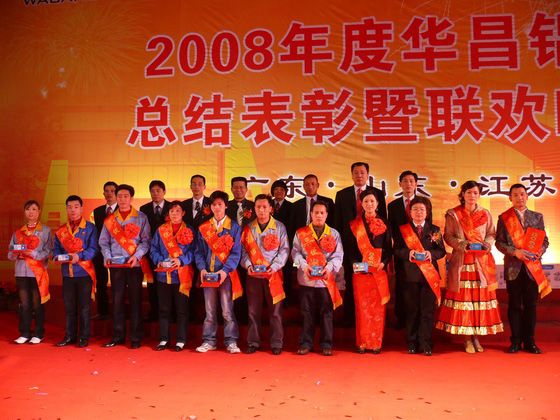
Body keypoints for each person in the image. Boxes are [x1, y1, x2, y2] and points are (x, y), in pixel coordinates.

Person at [436, 180, 503, 353]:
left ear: (479, 195)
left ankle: (476, 337)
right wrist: (461, 244)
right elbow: (448, 236)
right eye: (469, 192)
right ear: (463, 194)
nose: (472, 196)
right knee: (465, 301)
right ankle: (466, 338)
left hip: (481, 263)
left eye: (475, 193)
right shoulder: (453, 214)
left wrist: (487, 244)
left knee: (478, 301)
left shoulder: (485, 213)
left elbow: (491, 234)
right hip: (462, 263)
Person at [495, 184, 550, 354]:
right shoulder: (504, 218)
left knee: (530, 306)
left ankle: (530, 342)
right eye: (516, 195)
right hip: (514, 268)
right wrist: (515, 252)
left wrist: (541, 250)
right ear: (510, 198)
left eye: (522, 194)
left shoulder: (537, 217)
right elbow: (499, 242)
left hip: (532, 268)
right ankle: (516, 342)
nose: (519, 198)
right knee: (514, 306)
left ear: (527, 196)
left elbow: (545, 240)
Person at [99, 184, 152, 349]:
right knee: (117, 301)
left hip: (134, 266)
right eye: (119, 196)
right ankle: (118, 336)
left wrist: (137, 256)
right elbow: (103, 242)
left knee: (135, 301)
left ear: (131, 198)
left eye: (125, 196)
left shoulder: (141, 217)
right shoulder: (110, 220)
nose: (122, 199)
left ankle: (136, 337)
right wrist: (107, 257)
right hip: (116, 266)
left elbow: (146, 241)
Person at [334, 162, 387, 327]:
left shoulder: (378, 194)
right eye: (356, 172)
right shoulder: (342, 195)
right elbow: (337, 222)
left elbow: (383, 221)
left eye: (362, 172)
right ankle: (350, 318)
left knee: (372, 285)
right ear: (351, 175)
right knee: (351, 283)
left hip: (372, 249)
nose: (359, 175)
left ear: (368, 174)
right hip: (351, 247)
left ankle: (371, 318)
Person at [393, 196, 446, 356]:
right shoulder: (403, 230)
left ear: (427, 212)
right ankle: (411, 343)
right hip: (409, 276)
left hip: (429, 277)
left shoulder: (434, 230)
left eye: (422, 209)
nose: (419, 212)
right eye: (415, 209)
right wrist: (409, 253)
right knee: (411, 311)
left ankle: (426, 343)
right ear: (410, 212)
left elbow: (441, 251)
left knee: (427, 312)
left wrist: (431, 254)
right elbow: (397, 250)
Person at [292, 200, 343, 356]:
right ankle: (306, 343)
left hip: (325, 280)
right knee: (306, 312)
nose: (319, 215)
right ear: (311, 214)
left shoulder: (334, 234)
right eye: (316, 213)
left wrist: (329, 268)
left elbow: (338, 255)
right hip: (307, 279)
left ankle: (326, 344)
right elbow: (295, 253)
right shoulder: (301, 233)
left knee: (326, 312)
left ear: (326, 215)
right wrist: (304, 266)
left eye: (322, 213)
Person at [241, 194, 290, 355]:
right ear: (254, 209)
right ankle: (253, 342)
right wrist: (248, 265)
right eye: (258, 207)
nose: (261, 210)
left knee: (275, 311)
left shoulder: (280, 227)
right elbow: (243, 251)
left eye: (264, 207)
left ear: (271, 209)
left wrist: (274, 267)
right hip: (253, 276)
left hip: (273, 275)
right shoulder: (248, 228)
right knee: (253, 311)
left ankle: (277, 343)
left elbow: (284, 250)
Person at [195, 190, 243, 354]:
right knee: (209, 311)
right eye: (214, 204)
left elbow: (236, 253)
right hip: (208, 275)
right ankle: (209, 341)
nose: (217, 207)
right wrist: (202, 268)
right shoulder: (204, 227)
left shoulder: (234, 227)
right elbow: (198, 252)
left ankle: (231, 341)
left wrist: (225, 271)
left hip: (225, 276)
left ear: (226, 206)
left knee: (227, 310)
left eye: (220, 204)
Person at [348, 189, 392, 354]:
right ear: (361, 204)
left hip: (378, 272)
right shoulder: (354, 224)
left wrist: (384, 262)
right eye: (366, 201)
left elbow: (388, 248)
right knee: (362, 308)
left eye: (372, 201)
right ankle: (362, 342)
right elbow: (351, 249)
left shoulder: (385, 223)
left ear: (377, 203)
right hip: (361, 273)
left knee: (378, 309)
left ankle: (376, 343)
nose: (369, 204)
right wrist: (355, 264)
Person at [53, 195, 99, 348]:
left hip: (84, 273)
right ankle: (70, 336)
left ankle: (84, 337)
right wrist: (57, 257)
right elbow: (56, 249)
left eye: (76, 207)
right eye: (70, 207)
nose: (73, 210)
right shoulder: (61, 230)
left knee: (84, 307)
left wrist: (79, 256)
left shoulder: (90, 228)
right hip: (67, 274)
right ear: (66, 209)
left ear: (81, 208)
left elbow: (94, 249)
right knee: (69, 307)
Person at [149, 201, 196, 352]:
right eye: (171, 211)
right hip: (163, 275)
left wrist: (181, 260)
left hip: (182, 276)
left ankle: (181, 340)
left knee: (182, 309)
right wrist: (159, 261)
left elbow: (194, 252)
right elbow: (153, 249)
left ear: (183, 213)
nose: (174, 214)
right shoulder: (161, 230)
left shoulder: (189, 230)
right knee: (164, 308)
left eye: (177, 211)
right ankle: (163, 339)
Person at [388, 171, 432, 330]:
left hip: (422, 254)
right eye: (405, 181)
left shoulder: (424, 203)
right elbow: (392, 229)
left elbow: (429, 228)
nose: (408, 184)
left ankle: (419, 319)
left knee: (420, 287)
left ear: (416, 184)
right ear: (400, 184)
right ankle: (401, 318)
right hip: (403, 252)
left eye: (411, 181)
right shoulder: (393, 205)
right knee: (401, 285)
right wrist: (402, 249)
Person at [8, 200, 52, 345]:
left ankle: (38, 333)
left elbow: (48, 251)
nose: (31, 212)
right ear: (24, 212)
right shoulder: (18, 232)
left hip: (37, 273)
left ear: (39, 211)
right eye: (28, 209)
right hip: (21, 272)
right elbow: (10, 253)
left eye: (34, 209)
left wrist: (33, 254)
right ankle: (25, 333)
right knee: (24, 304)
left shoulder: (45, 231)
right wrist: (16, 254)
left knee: (37, 304)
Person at [140, 180, 171, 322]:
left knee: (168, 284)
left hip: (169, 251)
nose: (155, 193)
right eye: (152, 191)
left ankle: (169, 312)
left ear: (164, 192)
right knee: (152, 282)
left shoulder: (172, 207)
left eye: (158, 191)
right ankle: (154, 311)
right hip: (150, 252)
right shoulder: (144, 209)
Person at [226, 176, 254, 324]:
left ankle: (245, 317)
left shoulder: (254, 206)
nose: (238, 190)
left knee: (247, 285)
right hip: (229, 253)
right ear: (231, 189)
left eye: (241, 187)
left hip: (250, 253)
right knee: (231, 285)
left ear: (246, 189)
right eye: (235, 187)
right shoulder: (225, 206)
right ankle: (231, 316)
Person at [90, 181, 118, 320]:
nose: (109, 193)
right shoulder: (97, 211)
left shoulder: (123, 210)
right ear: (103, 193)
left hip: (119, 253)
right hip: (101, 252)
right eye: (106, 191)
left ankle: (118, 313)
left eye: (112, 191)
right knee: (101, 282)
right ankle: (102, 311)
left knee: (117, 283)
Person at [270, 179, 294, 304]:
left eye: (282, 190)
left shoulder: (291, 206)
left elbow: (293, 228)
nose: (279, 192)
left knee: (286, 273)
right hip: (268, 246)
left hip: (286, 245)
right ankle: (270, 299)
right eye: (276, 189)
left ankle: (286, 300)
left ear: (286, 192)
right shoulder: (268, 205)